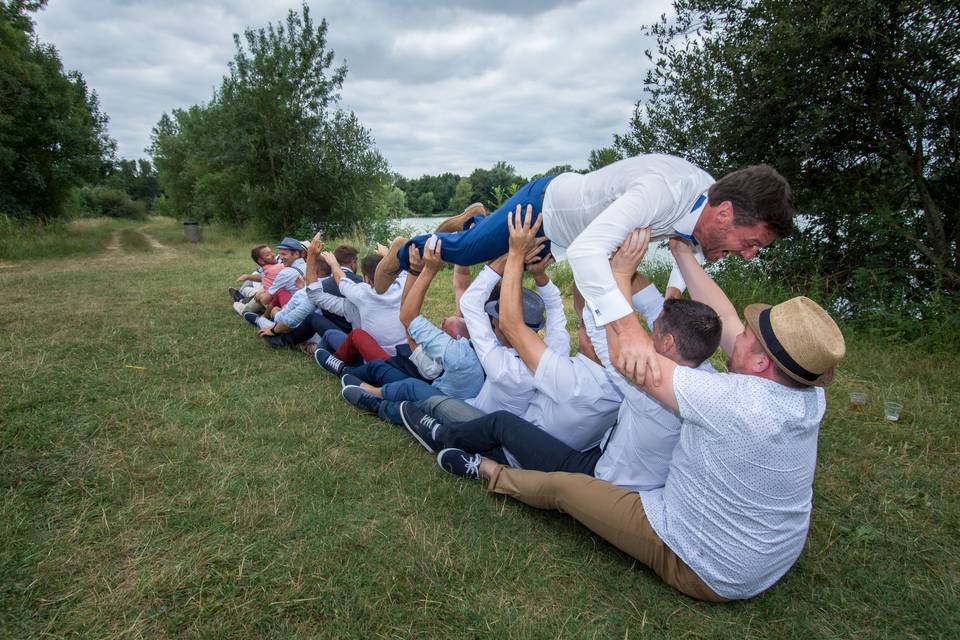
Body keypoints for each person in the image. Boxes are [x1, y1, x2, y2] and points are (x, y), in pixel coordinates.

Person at [427, 230, 845, 602]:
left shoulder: (722, 397)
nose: (738, 333)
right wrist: (681, 250)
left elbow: (625, 347)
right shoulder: (803, 395)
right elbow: (725, 319)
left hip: (707, 566)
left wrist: (617, 267)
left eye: (748, 338)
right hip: (770, 557)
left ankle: (485, 471)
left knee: (565, 491)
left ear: (758, 364)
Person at [374, 155, 793, 388]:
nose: (750, 255)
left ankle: (471, 223)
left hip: (567, 234)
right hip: (545, 206)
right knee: (465, 252)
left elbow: (689, 248)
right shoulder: (663, 193)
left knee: (481, 244)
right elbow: (589, 253)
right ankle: (410, 245)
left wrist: (672, 297)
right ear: (725, 214)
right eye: (751, 243)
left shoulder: (706, 202)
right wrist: (627, 329)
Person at [399, 227, 722, 490]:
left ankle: (439, 436)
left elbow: (510, 323)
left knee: (463, 411)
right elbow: (605, 309)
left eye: (583, 326)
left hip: (536, 455)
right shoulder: (691, 365)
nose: (580, 326)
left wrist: (515, 254)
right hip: (594, 452)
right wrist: (606, 252)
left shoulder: (581, 380)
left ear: (665, 341)